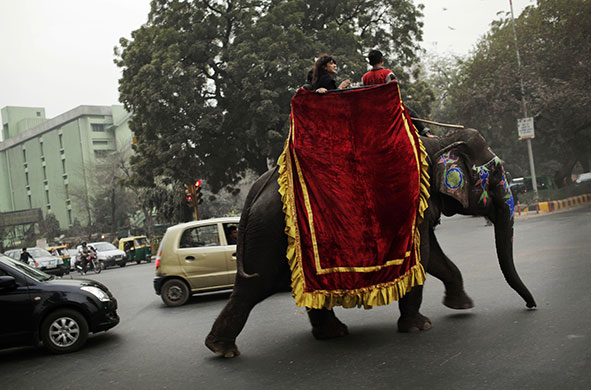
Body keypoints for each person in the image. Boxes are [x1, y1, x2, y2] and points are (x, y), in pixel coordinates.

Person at [362, 49, 435, 137]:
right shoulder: (388, 74)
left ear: (370, 63)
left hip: (372, 108)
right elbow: (394, 92)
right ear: (382, 60)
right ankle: (426, 133)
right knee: (411, 113)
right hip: (387, 107)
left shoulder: (365, 77)